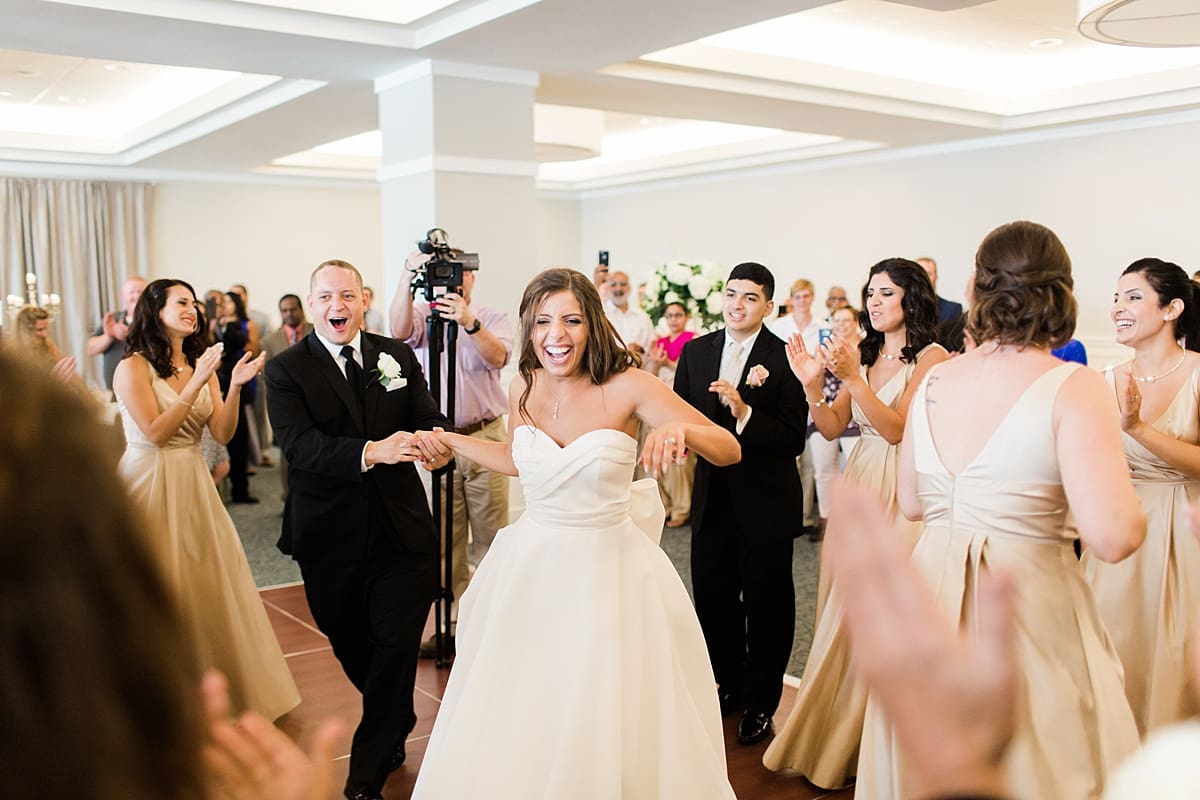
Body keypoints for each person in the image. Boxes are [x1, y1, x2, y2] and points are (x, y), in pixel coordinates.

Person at [410, 267, 741, 798]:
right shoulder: (522, 385)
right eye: (542, 322)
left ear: (593, 324)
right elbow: (520, 460)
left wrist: (680, 427)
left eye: (570, 320)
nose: (555, 335)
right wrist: (452, 441)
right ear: (528, 328)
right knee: (534, 697)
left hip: (610, 572)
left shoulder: (629, 385)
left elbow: (728, 448)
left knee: (601, 698)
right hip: (533, 567)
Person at [858, 221, 1145, 799]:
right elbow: (1111, 537)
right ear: (1061, 293)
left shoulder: (934, 378)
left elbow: (912, 504)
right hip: (1024, 598)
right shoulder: (1074, 384)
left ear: (976, 288)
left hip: (930, 593)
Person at [265, 259, 451, 800]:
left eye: (346, 296)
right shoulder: (286, 370)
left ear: (363, 299)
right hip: (328, 536)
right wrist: (373, 451)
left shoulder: (394, 356)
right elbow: (299, 447)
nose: (336, 307)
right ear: (311, 303)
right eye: (325, 297)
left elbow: (425, 414)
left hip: (401, 531)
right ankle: (394, 716)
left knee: (394, 646)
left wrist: (436, 442)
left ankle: (365, 772)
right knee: (352, 644)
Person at [764, 257, 948, 787]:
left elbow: (896, 429)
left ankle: (884, 738)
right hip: (861, 481)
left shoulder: (933, 358)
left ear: (911, 298)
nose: (873, 302)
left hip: (903, 486)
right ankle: (840, 732)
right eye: (870, 293)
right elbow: (830, 426)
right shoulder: (864, 355)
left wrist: (851, 377)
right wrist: (810, 383)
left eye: (885, 293)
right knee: (844, 607)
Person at [112, 278, 300, 722]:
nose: (192, 310)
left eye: (194, 304)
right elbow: (156, 432)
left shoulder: (202, 363)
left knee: (206, 584)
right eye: (181, 303)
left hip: (193, 482)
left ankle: (211, 695)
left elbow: (222, 434)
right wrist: (197, 380)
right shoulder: (133, 368)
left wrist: (232, 385)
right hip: (147, 482)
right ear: (154, 310)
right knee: (157, 587)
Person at [675, 261, 809, 745]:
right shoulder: (695, 352)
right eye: (731, 294)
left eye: (750, 297)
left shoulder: (784, 355)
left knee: (767, 604)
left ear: (768, 306)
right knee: (713, 598)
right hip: (713, 499)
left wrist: (745, 411)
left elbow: (794, 437)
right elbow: (679, 413)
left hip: (766, 502)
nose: (737, 304)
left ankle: (761, 701)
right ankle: (729, 681)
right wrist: (677, 440)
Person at [1084, 257, 1200, 736]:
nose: (1118, 308)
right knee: (1114, 643)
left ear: (1171, 308)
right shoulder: (1105, 380)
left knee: (1176, 652)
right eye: (1115, 298)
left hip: (1187, 525)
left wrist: (1138, 428)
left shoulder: (1198, 372)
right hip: (1123, 528)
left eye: (1133, 297)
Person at [390, 249, 513, 657]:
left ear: (472, 279)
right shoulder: (425, 317)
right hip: (441, 438)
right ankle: (454, 623)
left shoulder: (490, 317)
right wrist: (407, 275)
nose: (454, 283)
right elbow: (397, 330)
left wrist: (468, 322)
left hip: (486, 436)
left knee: (492, 534)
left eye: (461, 276)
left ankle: (498, 619)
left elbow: (498, 357)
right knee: (445, 537)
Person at [770, 278, 827, 534]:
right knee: (786, 457)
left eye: (806, 296)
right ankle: (784, 511)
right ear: (791, 299)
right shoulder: (778, 327)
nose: (802, 301)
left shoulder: (823, 328)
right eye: (797, 296)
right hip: (784, 396)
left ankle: (804, 515)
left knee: (811, 462)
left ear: (812, 297)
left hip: (812, 392)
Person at [805, 304, 864, 540]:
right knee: (823, 469)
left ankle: (856, 520)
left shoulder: (865, 348)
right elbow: (815, 381)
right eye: (836, 320)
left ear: (855, 322)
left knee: (856, 469)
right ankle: (826, 520)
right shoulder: (823, 348)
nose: (841, 324)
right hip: (824, 409)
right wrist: (817, 367)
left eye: (846, 320)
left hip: (855, 413)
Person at [643, 300, 697, 527]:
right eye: (670, 315)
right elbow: (648, 374)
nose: (674, 320)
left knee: (679, 453)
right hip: (658, 397)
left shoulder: (693, 341)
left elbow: (693, 372)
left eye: (678, 315)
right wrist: (656, 363)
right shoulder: (659, 342)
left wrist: (668, 362)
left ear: (685, 317)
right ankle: (662, 505)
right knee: (656, 449)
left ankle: (682, 508)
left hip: (680, 396)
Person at [218, 291, 258, 503]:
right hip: (217, 382)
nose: (223, 305)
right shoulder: (210, 325)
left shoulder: (241, 325)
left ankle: (240, 489)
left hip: (238, 382)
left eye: (226, 302)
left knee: (239, 434)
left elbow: (247, 346)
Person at [86, 274, 146, 390]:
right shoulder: (112, 319)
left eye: (141, 292)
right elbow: (90, 349)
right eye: (132, 292)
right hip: (114, 391)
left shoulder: (155, 320)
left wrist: (130, 336)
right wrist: (109, 336)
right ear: (123, 296)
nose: (136, 296)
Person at [604, 269, 654, 355]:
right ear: (607, 289)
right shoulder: (601, 314)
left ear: (630, 288)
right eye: (613, 285)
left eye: (623, 284)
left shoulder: (642, 316)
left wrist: (640, 349)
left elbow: (652, 346)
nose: (618, 288)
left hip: (639, 366)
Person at [917, 256, 964, 323]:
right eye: (920, 273)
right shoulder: (901, 308)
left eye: (928, 273)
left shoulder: (952, 310)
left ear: (936, 277)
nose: (924, 278)